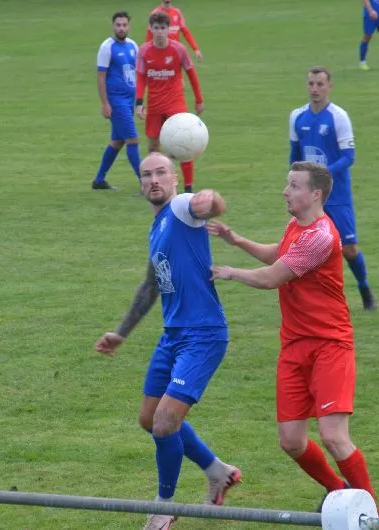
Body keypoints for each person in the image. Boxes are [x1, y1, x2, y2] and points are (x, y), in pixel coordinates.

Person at [209, 161, 379, 513]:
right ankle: (338, 491)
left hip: (329, 345)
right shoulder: (296, 226)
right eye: (287, 184)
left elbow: (272, 277)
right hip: (294, 345)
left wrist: (230, 272)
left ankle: (371, 514)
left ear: (315, 194)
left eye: (294, 186)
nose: (285, 191)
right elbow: (279, 253)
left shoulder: (320, 236)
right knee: (291, 441)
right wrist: (236, 239)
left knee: (334, 436)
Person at [94, 152, 241, 530]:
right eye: (147, 175)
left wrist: (210, 199)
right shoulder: (157, 226)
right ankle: (217, 471)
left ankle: (163, 506)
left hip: (203, 335)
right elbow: (151, 285)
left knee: (164, 422)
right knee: (149, 419)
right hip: (173, 336)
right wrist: (121, 333)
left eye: (161, 173)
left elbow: (208, 205)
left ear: (175, 178)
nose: (154, 180)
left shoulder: (180, 208)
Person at [289, 66, 376, 310]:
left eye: (320, 84)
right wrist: (294, 184)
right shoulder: (297, 117)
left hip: (337, 196)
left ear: (329, 86)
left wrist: (323, 175)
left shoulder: (338, 117)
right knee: (307, 246)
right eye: (311, 84)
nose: (315, 89)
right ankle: (311, 299)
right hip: (309, 197)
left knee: (348, 249)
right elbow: (294, 156)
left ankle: (364, 289)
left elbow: (349, 156)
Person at [136, 12, 204, 194]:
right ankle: (154, 185)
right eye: (156, 28)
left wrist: (199, 99)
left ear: (168, 29)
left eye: (162, 28)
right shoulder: (144, 51)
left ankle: (188, 188)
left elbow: (191, 74)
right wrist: (139, 102)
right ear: (150, 29)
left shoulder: (178, 49)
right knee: (153, 147)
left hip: (175, 105)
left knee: (184, 144)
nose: (159, 32)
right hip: (154, 106)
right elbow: (141, 77)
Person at [92, 11, 141, 191]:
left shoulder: (133, 45)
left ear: (129, 26)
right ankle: (145, 183)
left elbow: (139, 72)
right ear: (113, 26)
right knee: (132, 139)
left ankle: (99, 181)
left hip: (129, 100)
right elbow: (101, 77)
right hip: (116, 101)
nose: (121, 28)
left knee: (118, 141)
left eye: (124, 25)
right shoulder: (107, 47)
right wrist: (105, 103)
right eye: (118, 25)